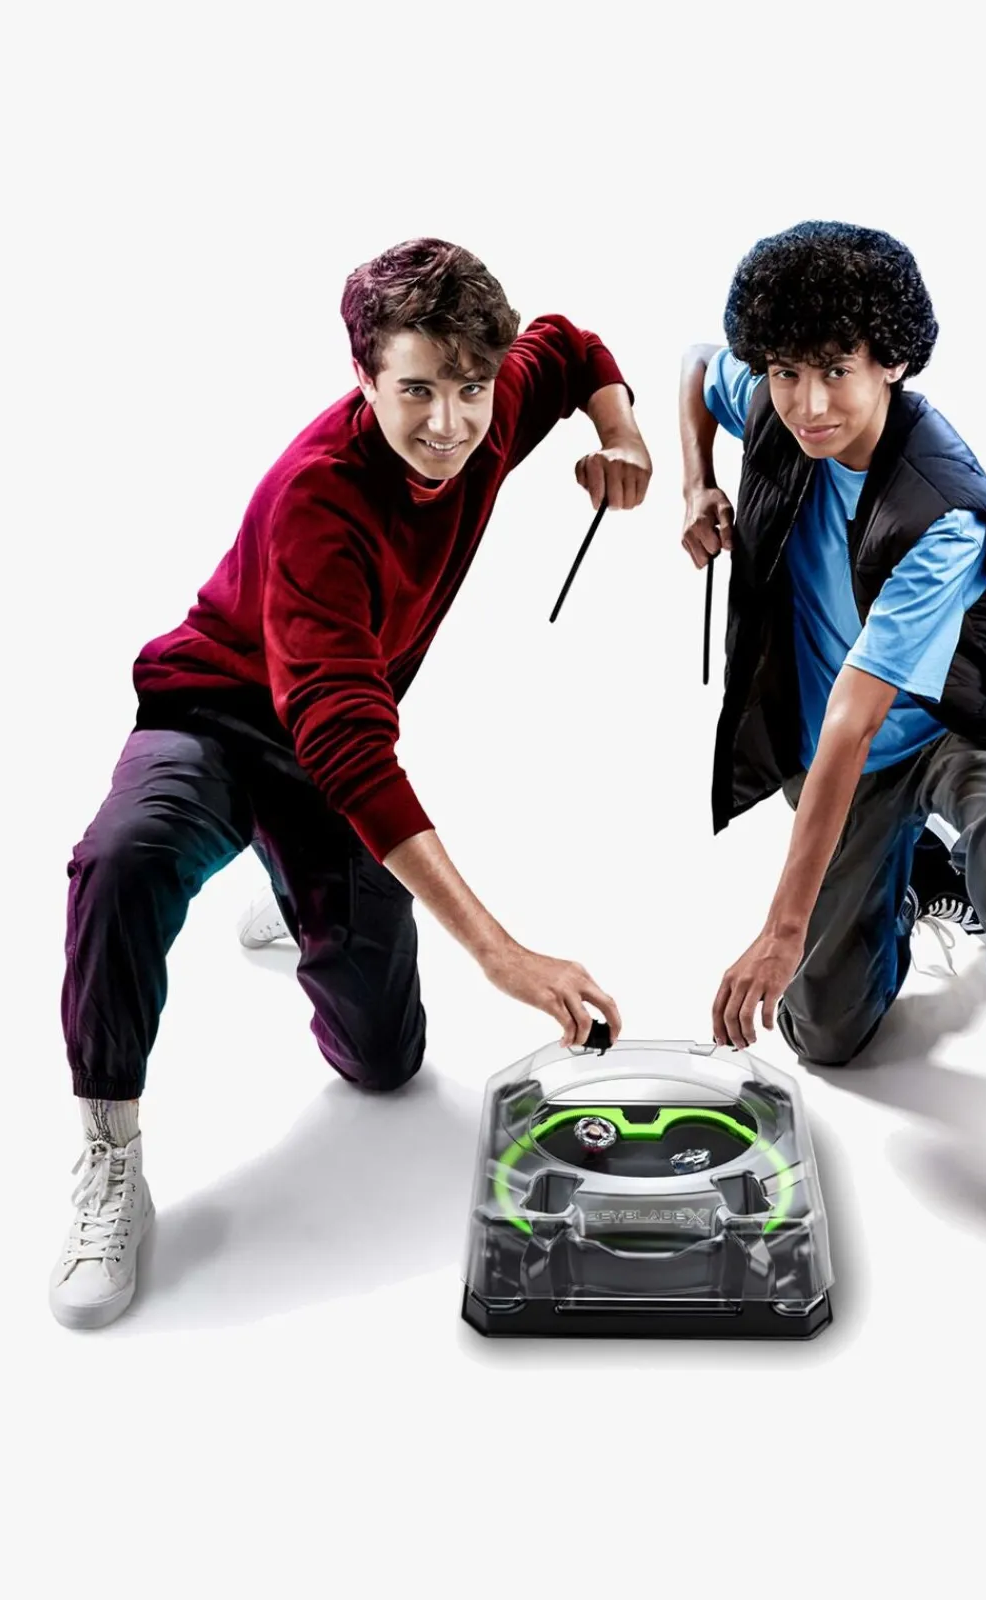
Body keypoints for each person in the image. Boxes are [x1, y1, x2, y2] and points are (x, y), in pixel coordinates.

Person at [51, 237, 652, 1329]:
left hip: (324, 749)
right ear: (365, 378)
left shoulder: (490, 405)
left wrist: (621, 433)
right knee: (122, 859)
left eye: (468, 390)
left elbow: (570, 347)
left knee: (383, 1063)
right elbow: (347, 748)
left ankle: (291, 882)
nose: (448, 424)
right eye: (415, 391)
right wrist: (503, 953)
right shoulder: (321, 501)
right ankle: (108, 1152)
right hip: (219, 713)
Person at [678, 220, 986, 1318]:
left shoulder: (944, 516)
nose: (807, 404)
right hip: (841, 764)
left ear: (890, 358)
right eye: (785, 372)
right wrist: (695, 486)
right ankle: (920, 884)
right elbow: (696, 366)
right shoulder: (775, 403)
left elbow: (856, 719)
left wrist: (781, 927)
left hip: (951, 729)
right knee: (826, 1037)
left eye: (834, 371)